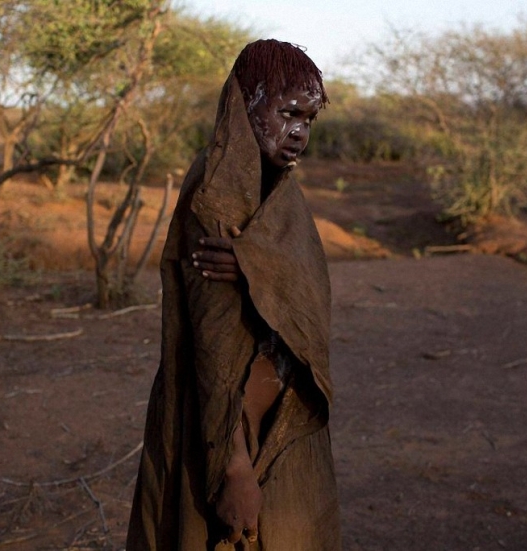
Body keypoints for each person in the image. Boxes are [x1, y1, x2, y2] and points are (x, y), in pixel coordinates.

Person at [126, 39, 341, 551]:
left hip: (281, 416)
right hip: (223, 428)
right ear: (246, 104)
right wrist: (234, 467)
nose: (299, 133)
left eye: (309, 120)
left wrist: (253, 266)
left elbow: (309, 287)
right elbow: (213, 346)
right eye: (287, 113)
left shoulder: (280, 190)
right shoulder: (217, 195)